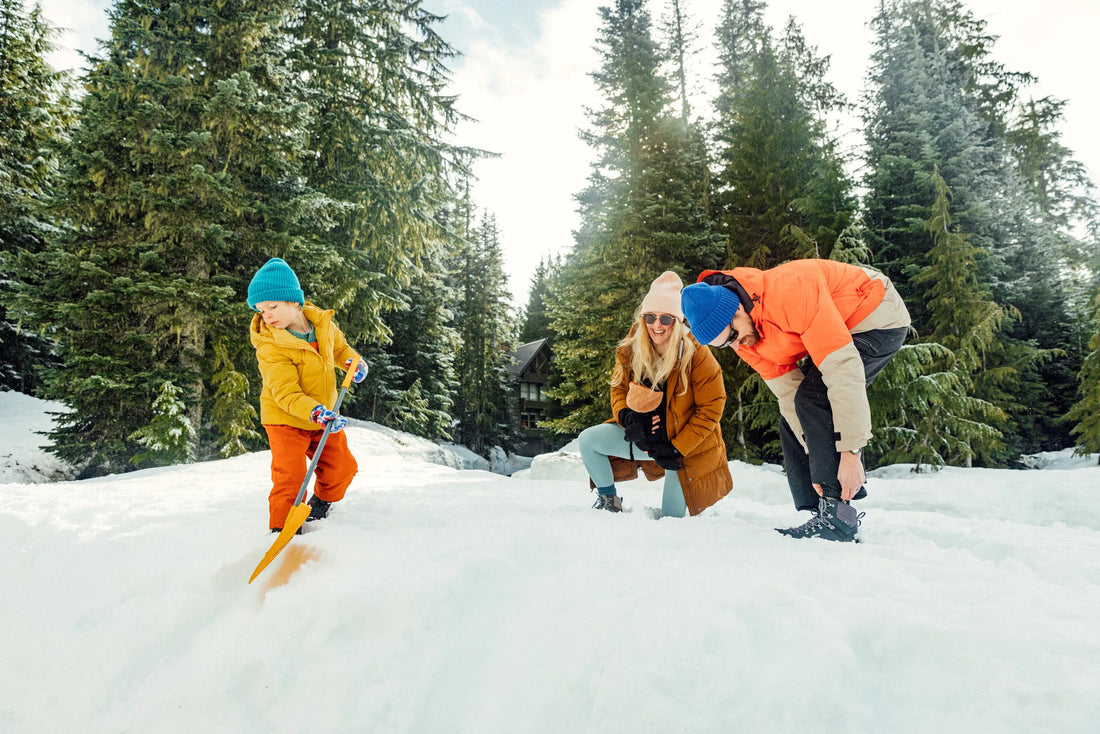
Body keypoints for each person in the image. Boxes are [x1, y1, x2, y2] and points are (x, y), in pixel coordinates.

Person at [680, 259, 911, 542]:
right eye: (727, 345)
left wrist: (851, 454)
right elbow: (788, 395)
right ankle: (823, 508)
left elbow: (843, 371)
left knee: (815, 397)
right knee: (795, 413)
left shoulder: (789, 291)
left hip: (875, 312)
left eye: (734, 336)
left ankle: (837, 519)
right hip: (839, 325)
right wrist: (819, 460)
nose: (737, 346)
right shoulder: (745, 339)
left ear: (738, 309)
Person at [577, 271, 732, 517]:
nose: (656, 325)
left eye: (665, 319)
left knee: (672, 517)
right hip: (646, 439)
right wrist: (626, 416)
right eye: (650, 317)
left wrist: (676, 448)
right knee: (588, 440)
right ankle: (608, 500)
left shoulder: (697, 353)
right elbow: (617, 387)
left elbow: (711, 408)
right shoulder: (631, 347)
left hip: (682, 448)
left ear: (678, 321)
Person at [247, 257, 368, 533]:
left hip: (322, 416)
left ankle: (321, 504)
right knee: (291, 476)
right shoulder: (270, 345)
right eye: (261, 310)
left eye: (272, 306)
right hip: (285, 418)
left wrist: (354, 363)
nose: (267, 315)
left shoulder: (323, 326)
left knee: (341, 468)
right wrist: (315, 412)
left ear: (294, 302)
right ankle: (283, 529)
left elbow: (341, 350)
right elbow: (285, 393)